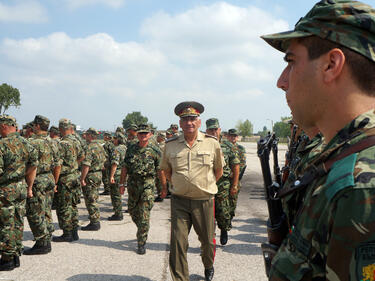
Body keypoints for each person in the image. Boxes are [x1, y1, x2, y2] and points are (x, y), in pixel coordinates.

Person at [261, 0, 375, 279]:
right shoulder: (339, 156)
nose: (281, 81)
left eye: (290, 62)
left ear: (331, 65)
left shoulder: (361, 185)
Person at [160, 101, 224, 281]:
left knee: (207, 241)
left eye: (193, 119)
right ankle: (180, 278)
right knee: (178, 243)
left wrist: (202, 185)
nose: (189, 122)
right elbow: (166, 170)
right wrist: (181, 184)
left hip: (204, 200)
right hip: (179, 201)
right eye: (185, 119)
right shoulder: (170, 145)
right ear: (180, 123)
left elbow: (218, 170)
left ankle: (208, 265)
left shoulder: (212, 144)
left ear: (199, 122)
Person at [0, 115, 38, 270]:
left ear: (3, 126)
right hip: (21, 187)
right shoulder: (26, 143)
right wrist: (25, 182)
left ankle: (7, 259)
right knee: (17, 221)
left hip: (5, 189)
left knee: (5, 223)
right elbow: (33, 165)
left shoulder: (2, 145)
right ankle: (15, 254)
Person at [119, 123, 161, 255]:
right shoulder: (131, 148)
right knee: (132, 210)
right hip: (133, 184)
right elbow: (125, 167)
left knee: (144, 213)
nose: (143, 135)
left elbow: (160, 171)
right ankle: (143, 228)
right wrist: (121, 184)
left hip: (147, 184)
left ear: (150, 134)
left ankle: (141, 242)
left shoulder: (155, 150)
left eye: (145, 133)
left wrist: (163, 188)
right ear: (137, 134)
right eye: (140, 133)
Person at [24, 115, 61, 255]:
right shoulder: (54, 142)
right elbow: (58, 165)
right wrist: (55, 182)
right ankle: (47, 236)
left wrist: (28, 185)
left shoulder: (31, 142)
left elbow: (30, 166)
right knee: (46, 210)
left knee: (34, 212)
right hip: (50, 178)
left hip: (37, 179)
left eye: (34, 125)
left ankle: (42, 242)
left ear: (37, 126)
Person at [206, 118, 239, 246]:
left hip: (223, 184)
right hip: (206, 184)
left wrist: (234, 185)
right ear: (206, 130)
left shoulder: (228, 146)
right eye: (211, 129)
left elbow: (236, 167)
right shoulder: (202, 144)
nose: (213, 132)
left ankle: (224, 229)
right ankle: (209, 238)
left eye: (216, 129)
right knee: (207, 213)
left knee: (223, 212)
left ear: (219, 130)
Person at [53, 118, 84, 242]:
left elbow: (58, 165)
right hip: (75, 176)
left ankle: (67, 233)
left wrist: (55, 182)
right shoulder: (77, 141)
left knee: (64, 206)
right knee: (73, 205)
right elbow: (82, 156)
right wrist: (74, 165)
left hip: (65, 179)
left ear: (60, 129)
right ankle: (74, 231)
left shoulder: (62, 144)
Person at [80, 127, 106, 231]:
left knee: (90, 199)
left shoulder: (90, 147)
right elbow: (104, 162)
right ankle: (95, 219)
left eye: (86, 134)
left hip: (91, 175)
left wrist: (82, 178)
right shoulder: (100, 146)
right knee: (94, 197)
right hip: (98, 174)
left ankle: (94, 222)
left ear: (90, 135)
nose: (85, 136)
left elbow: (86, 165)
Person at [227, 129, 246, 220]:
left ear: (237, 137)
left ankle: (230, 215)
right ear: (227, 137)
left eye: (234, 136)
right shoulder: (223, 147)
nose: (233, 138)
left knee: (233, 199)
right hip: (224, 178)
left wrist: (233, 174)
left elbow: (242, 164)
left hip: (235, 178)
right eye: (231, 136)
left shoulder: (240, 149)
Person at [108, 132, 127, 220]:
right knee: (119, 193)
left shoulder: (116, 150)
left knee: (115, 195)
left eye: (115, 138)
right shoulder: (126, 148)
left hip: (118, 174)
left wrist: (111, 176)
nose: (113, 140)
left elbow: (114, 164)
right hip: (125, 173)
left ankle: (118, 213)